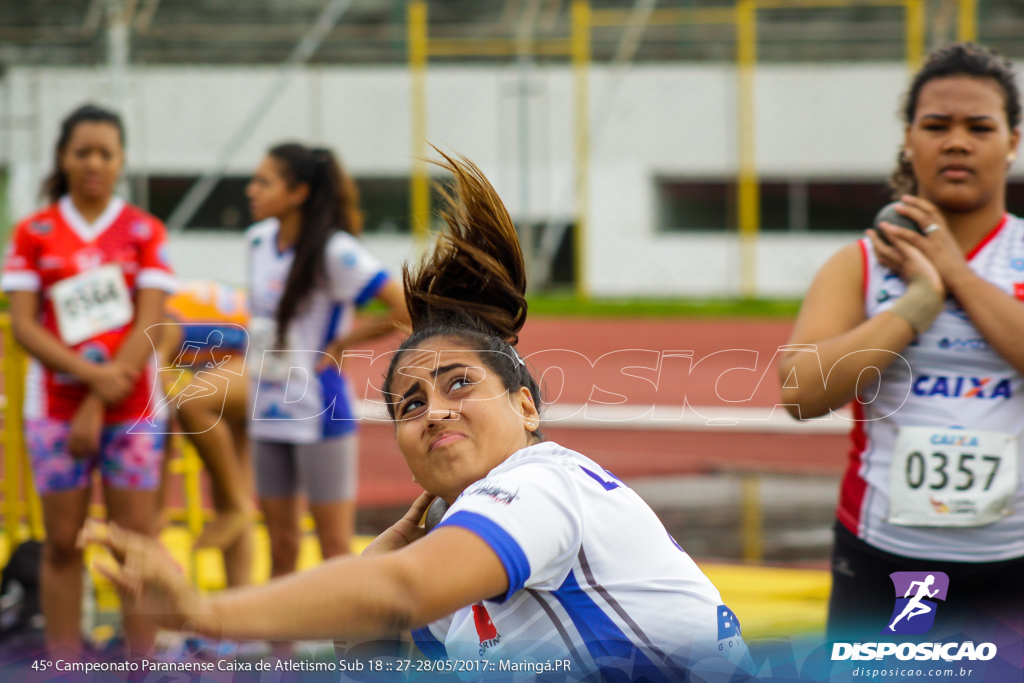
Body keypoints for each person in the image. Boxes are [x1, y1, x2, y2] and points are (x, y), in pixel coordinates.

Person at [82, 152, 751, 681]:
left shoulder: (546, 480)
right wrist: (375, 587)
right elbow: (385, 621)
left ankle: (231, 509)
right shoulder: (451, 591)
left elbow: (398, 590)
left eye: (459, 382)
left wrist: (204, 612)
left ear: (526, 405)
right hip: (281, 391)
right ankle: (236, 505)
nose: (434, 410)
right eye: (408, 403)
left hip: (305, 399)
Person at [777, 43, 1024, 640]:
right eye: (937, 125)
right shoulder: (859, 264)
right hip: (886, 555)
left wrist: (956, 276)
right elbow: (801, 392)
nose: (957, 141)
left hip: (1014, 557)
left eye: (979, 126)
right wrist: (915, 305)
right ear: (909, 140)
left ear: (1012, 142)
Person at [1, 104, 176, 655]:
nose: (94, 163)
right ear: (63, 157)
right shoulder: (33, 233)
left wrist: (97, 398)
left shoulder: (145, 231)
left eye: (106, 152)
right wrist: (87, 379)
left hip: (131, 412)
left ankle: (143, 663)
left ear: (121, 160)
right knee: (60, 544)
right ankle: (64, 664)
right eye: (83, 152)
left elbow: (151, 321)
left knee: (135, 544)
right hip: (52, 410)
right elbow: (25, 326)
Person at [244, 143, 409, 579]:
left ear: (298, 192)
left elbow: (402, 308)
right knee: (279, 545)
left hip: (320, 406)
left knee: (335, 550)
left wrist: (340, 344)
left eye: (264, 181)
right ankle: (281, 649)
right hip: (265, 402)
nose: (251, 190)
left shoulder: (336, 251)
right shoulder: (257, 241)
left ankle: (348, 649)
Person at [154, 280, 253, 587]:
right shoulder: (166, 318)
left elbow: (155, 382)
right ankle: (241, 611)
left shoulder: (162, 325)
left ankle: (237, 507)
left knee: (190, 405)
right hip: (236, 356)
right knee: (230, 485)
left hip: (257, 356)